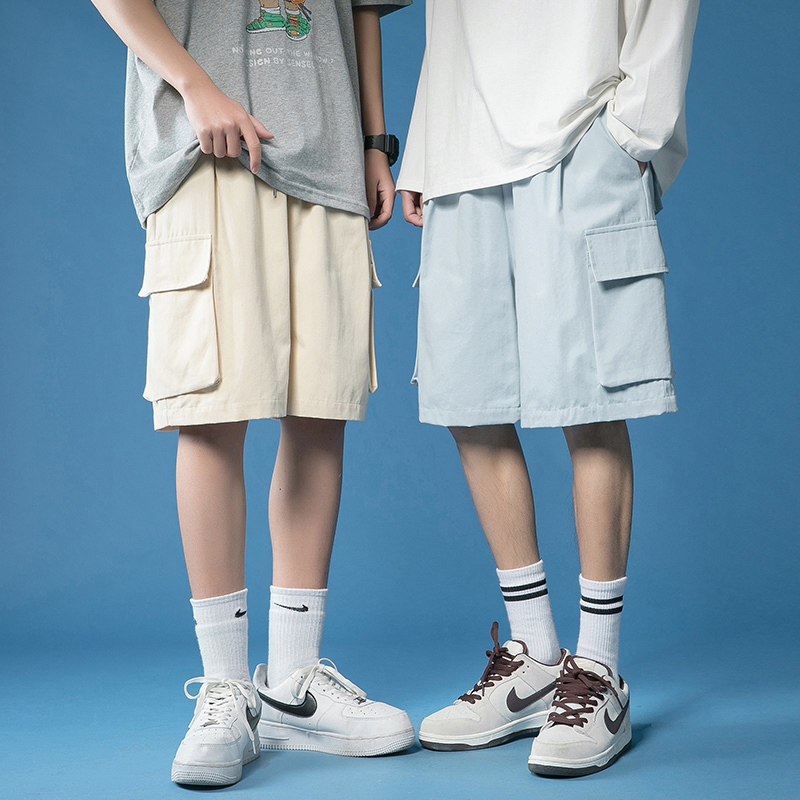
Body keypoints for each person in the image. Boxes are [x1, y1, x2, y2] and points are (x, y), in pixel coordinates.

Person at [90, 0, 413, 786]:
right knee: (211, 414)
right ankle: (226, 688)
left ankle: (294, 684)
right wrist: (195, 85)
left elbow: (363, 8)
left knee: (320, 411)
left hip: (329, 155)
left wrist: (374, 142)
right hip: (205, 150)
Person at [398, 0, 700, 777]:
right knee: (471, 404)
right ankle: (534, 655)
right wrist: (424, 149)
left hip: (582, 131)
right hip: (460, 145)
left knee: (588, 404)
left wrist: (634, 129)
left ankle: (598, 668)